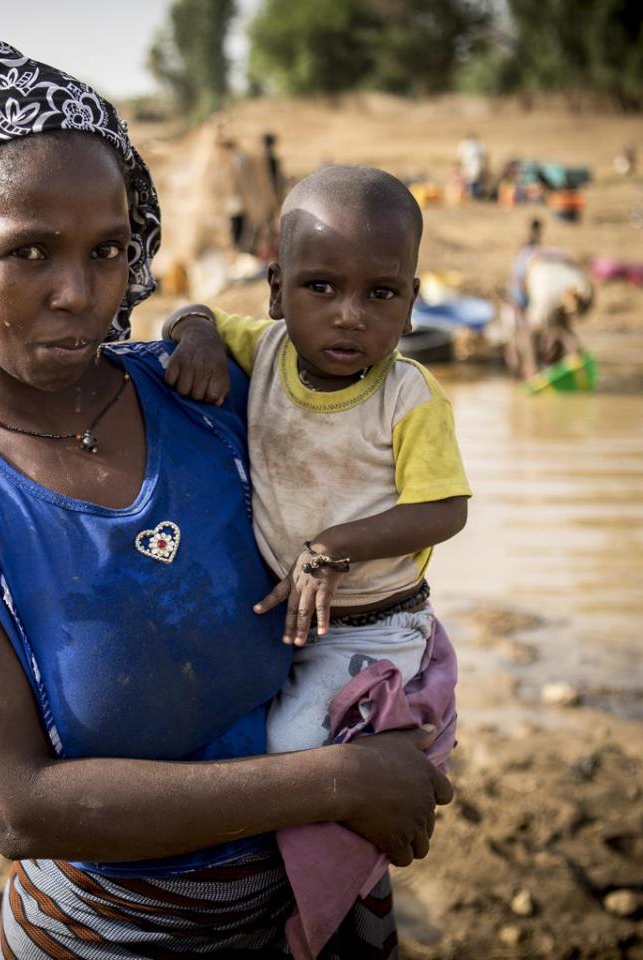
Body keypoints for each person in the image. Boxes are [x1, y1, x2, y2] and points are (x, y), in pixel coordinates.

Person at [0, 29, 451, 960]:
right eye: (31, 252)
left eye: (108, 251)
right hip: (112, 934)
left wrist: (199, 323)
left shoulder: (201, 393)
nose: (80, 293)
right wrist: (338, 784)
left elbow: (366, 406)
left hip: (317, 899)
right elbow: (17, 805)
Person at [159, 167, 469, 955]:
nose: (348, 317)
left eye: (381, 295)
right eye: (321, 287)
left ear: (412, 297)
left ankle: (319, 913)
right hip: (296, 617)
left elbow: (445, 508)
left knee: (294, 755)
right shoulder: (260, 352)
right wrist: (193, 332)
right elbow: (188, 311)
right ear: (274, 291)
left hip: (373, 621)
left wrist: (334, 549)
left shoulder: (408, 395)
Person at [503, 218, 593, 377]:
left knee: (531, 333)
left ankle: (533, 373)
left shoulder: (524, 266)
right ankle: (577, 363)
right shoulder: (547, 253)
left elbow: (521, 310)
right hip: (580, 284)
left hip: (550, 287)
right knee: (561, 328)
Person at [456, 132, 487, 199]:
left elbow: (484, 155)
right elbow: (459, 156)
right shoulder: (465, 144)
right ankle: (470, 195)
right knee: (468, 181)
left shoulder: (478, 144)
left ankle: (474, 195)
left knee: (474, 181)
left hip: (475, 166)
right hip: (467, 166)